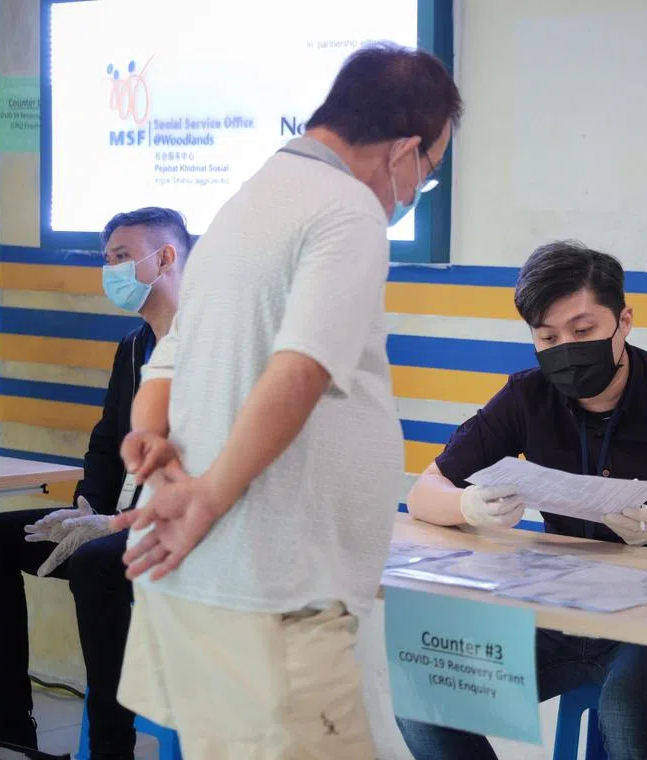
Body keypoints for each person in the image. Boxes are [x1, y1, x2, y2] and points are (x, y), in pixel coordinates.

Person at [106, 42, 462, 760]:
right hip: (279, 583)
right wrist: (203, 499)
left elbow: (170, 358)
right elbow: (299, 372)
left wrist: (151, 439)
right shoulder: (348, 212)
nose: (413, 189)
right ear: (406, 150)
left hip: (227, 585)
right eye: (427, 170)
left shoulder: (248, 199)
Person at [396, 241, 647, 760]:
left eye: (583, 331)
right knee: (425, 689)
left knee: (627, 710)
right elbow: (422, 494)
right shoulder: (527, 396)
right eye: (548, 337)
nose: (566, 347)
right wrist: (470, 509)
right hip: (569, 612)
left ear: (625, 321)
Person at [0, 207, 190, 760]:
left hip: (182, 530)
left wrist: (114, 524)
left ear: (165, 257)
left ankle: (110, 748)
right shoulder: (134, 347)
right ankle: (6, 717)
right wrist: (86, 503)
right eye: (106, 258)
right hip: (116, 521)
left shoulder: (217, 349)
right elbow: (104, 440)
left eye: (121, 257)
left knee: (97, 563)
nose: (110, 269)